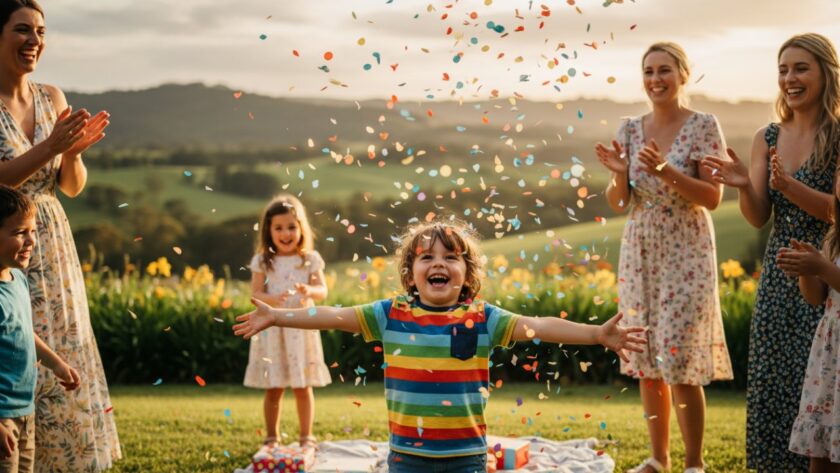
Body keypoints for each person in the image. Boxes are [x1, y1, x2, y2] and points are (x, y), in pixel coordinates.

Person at [233, 219, 646, 473]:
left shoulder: (483, 317)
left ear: (466, 274)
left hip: (467, 456)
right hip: (406, 457)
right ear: (410, 275)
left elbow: (537, 326)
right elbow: (333, 315)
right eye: (426, 257)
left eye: (451, 257)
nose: (439, 264)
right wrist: (279, 315)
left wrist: (595, 334)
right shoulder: (388, 313)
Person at [703, 33, 840, 472]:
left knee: (818, 386)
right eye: (783, 70)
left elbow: (838, 212)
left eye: (801, 68)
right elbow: (759, 216)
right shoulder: (768, 136)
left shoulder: (838, 136)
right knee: (774, 384)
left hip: (827, 271)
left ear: (826, 73)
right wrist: (746, 185)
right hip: (780, 276)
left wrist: (789, 187)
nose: (789, 78)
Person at [594, 42, 733, 473]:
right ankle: (659, 459)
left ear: (683, 74)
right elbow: (620, 203)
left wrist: (665, 171)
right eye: (649, 71)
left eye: (665, 70)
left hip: (687, 248)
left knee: (680, 360)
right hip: (640, 248)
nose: (656, 79)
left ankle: (694, 464)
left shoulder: (704, 125)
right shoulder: (631, 129)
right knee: (647, 358)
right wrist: (619, 176)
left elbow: (712, 197)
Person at [0, 1, 119, 470]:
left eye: (41, 31)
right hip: (4, 241)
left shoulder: (53, 96)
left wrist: (73, 153)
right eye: (22, 30)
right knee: (12, 342)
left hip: (51, 240)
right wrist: (52, 145)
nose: (35, 40)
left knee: (61, 348)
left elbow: (69, 186)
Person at [0, 185, 80, 473]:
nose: (31, 240)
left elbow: (22, 332)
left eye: (32, 231)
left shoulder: (18, 280)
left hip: (24, 410)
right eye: (20, 232)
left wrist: (56, 363)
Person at [244, 194, 331, 448]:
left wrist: (309, 291)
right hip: (273, 328)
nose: (286, 233)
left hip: (301, 327)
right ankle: (272, 437)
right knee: (275, 385)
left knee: (303, 385)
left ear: (301, 227)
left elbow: (322, 290)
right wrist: (273, 299)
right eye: (278, 228)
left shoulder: (310, 258)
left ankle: (306, 436)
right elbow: (255, 293)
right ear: (268, 231)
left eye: (291, 226)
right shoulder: (262, 260)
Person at [777, 175, 840, 473]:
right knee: (822, 446)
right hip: (830, 354)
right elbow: (817, 297)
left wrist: (822, 267)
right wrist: (807, 270)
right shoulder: (834, 235)